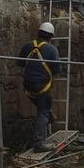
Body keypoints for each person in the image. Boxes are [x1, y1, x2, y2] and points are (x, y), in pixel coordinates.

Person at [19, 21, 62, 151]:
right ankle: (39, 143)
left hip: (27, 86)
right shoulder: (51, 49)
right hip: (42, 87)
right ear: (51, 36)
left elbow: (20, 63)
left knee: (44, 107)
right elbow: (57, 69)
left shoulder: (27, 46)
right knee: (43, 112)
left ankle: (50, 115)